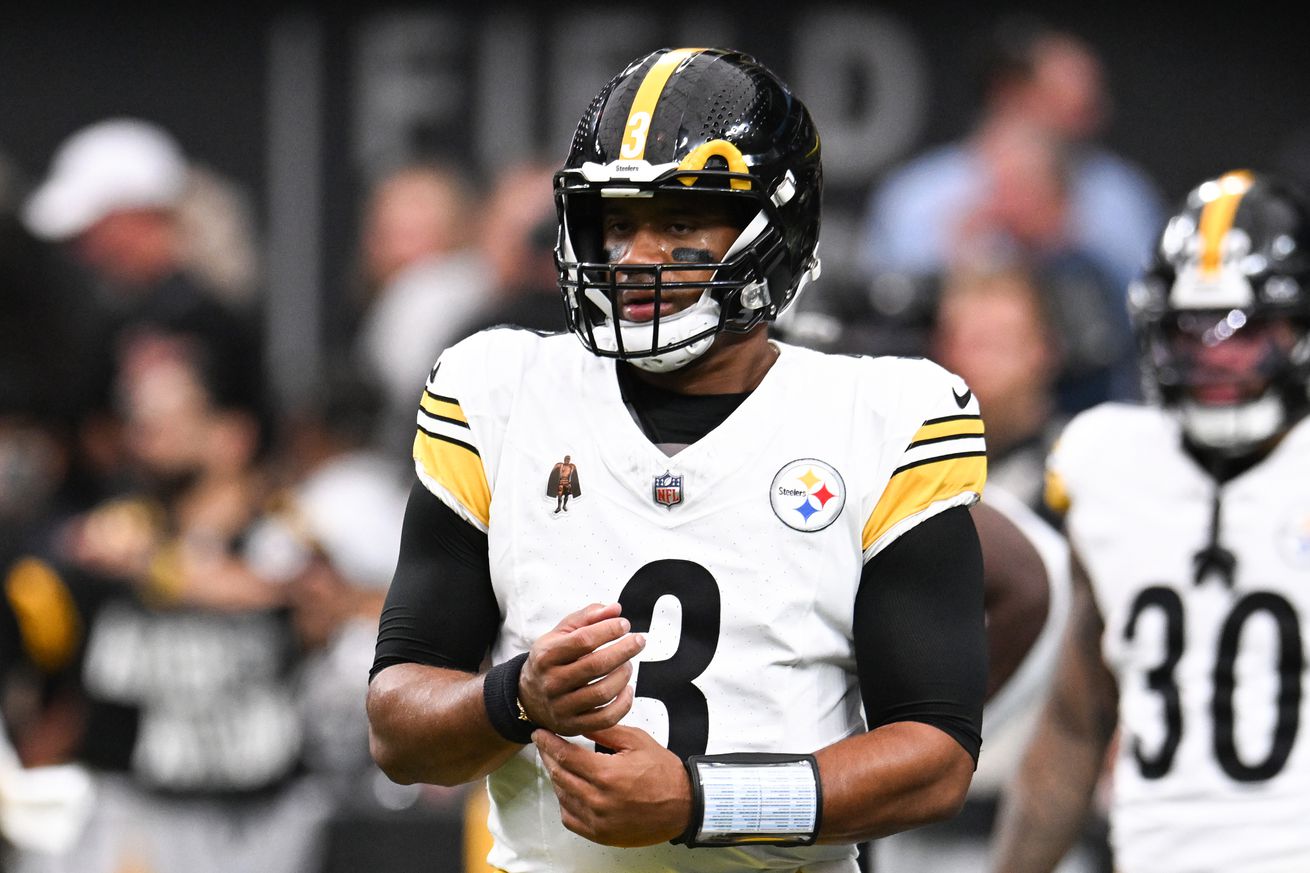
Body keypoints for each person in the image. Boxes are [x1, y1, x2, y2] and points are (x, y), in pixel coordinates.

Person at [367, 47, 989, 873]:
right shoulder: (498, 393)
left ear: (777, 228)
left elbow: (936, 758)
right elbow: (398, 732)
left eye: (682, 221)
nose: (636, 256)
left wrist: (702, 800)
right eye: (618, 223)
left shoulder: (879, 418)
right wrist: (514, 697)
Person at [989, 169, 1310, 873]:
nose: (1217, 357)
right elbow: (1076, 722)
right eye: (1193, 330)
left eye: (1248, 329)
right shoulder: (1111, 463)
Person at [856, 14, 1163, 299]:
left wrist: (1063, 240)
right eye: (1068, 106)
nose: (1093, 121)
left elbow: (1151, 307)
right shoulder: (919, 193)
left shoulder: (1120, 193)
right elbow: (881, 306)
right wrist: (960, 251)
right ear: (1007, 93)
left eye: (1091, 106)